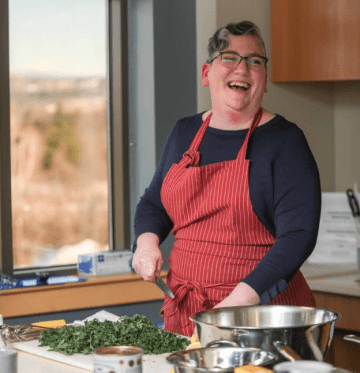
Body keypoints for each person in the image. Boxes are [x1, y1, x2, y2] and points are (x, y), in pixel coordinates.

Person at [131, 21, 321, 337]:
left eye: (255, 61)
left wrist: (236, 305)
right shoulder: (184, 132)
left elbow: (298, 235)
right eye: (229, 58)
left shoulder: (285, 141)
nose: (242, 69)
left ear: (264, 79)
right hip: (188, 312)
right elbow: (154, 202)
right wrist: (146, 243)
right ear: (207, 74)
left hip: (261, 319)